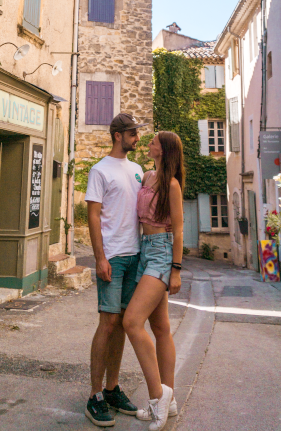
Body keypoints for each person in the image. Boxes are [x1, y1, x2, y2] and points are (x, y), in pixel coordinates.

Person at [84, 113, 149, 428]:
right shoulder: (99, 170)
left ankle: (112, 389)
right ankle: (94, 395)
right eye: (133, 133)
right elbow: (93, 216)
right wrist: (99, 258)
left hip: (135, 256)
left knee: (123, 324)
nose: (137, 138)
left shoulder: (137, 170)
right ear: (118, 135)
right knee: (107, 323)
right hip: (112, 257)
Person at [123, 131, 185, 431]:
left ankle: (157, 396)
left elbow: (180, 230)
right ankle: (169, 402)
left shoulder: (172, 185)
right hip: (144, 250)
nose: (148, 144)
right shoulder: (147, 177)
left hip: (161, 252)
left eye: (153, 142)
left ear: (165, 150)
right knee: (161, 328)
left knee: (132, 322)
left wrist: (176, 269)